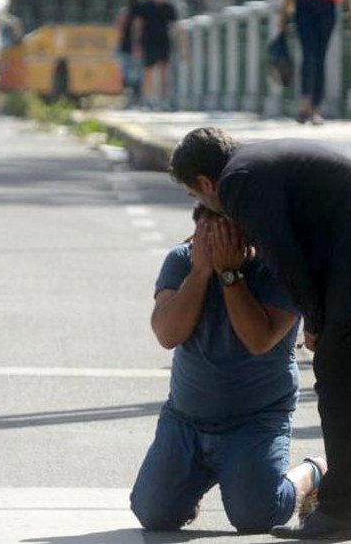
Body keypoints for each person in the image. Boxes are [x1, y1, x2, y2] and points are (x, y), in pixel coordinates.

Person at [169, 127, 351, 539]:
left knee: (343, 382)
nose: (206, 207)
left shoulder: (238, 183)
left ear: (207, 183)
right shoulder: (262, 162)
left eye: (197, 197)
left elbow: (287, 258)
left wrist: (316, 323)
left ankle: (340, 513)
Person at [130, 205, 327, 533]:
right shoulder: (182, 260)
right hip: (186, 419)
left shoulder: (280, 269)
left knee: (257, 518)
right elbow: (167, 334)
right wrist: (200, 273)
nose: (213, 242)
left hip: (255, 420)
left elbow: (258, 339)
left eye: (225, 234)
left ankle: (315, 470)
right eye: (206, 234)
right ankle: (195, 481)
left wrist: (230, 276)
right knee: (153, 515)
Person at [279, 0, 351, 125]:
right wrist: (283, 14)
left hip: (328, 4)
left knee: (320, 58)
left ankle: (315, 109)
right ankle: (305, 103)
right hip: (304, 4)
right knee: (308, 54)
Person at [132, 0, 177, 109]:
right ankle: (148, 99)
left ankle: (164, 100)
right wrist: (137, 44)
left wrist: (181, 46)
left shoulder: (169, 7)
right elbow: (138, 25)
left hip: (164, 41)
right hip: (148, 41)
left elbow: (175, 26)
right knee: (149, 70)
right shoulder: (144, 6)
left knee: (165, 71)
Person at [115, 0, 144, 108]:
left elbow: (119, 30)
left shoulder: (124, 13)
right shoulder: (140, 14)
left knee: (127, 74)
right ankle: (134, 97)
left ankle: (129, 97)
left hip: (125, 48)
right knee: (136, 74)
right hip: (133, 49)